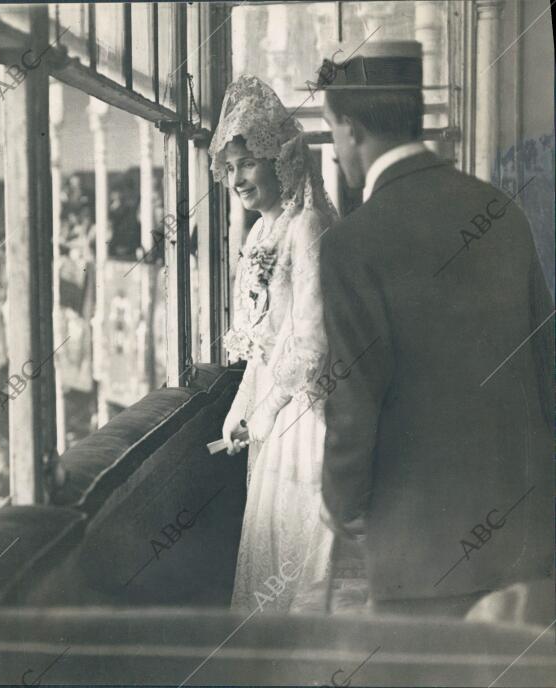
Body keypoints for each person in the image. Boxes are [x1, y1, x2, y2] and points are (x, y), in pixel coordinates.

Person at [317, 41, 553, 616]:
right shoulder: (503, 213)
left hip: (421, 559)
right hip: (526, 550)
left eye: (331, 128)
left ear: (350, 128)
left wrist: (339, 500)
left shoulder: (352, 243)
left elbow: (354, 399)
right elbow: (549, 374)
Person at [209, 75, 367, 612]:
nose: (237, 179)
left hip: (311, 414)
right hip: (275, 418)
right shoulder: (260, 233)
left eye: (247, 163)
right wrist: (242, 409)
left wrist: (268, 411)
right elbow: (264, 345)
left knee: (304, 568)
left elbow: (312, 340)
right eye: (229, 168)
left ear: (281, 160)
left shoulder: (309, 226)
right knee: (270, 557)